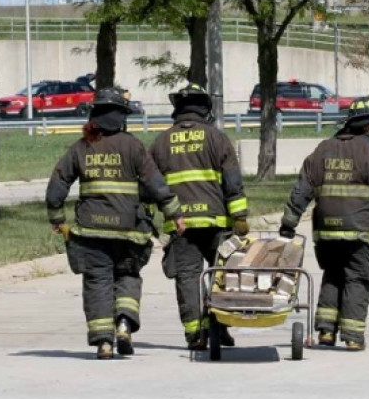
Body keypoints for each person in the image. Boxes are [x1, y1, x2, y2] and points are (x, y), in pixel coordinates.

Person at [46, 87, 184, 359]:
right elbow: (155, 184)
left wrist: (57, 218)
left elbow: (57, 184)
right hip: (129, 232)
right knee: (128, 276)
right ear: (122, 116)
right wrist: (175, 214)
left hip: (91, 232)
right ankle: (123, 323)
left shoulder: (81, 148)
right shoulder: (133, 146)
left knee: (97, 282)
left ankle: (104, 342)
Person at [279, 98, 369, 351]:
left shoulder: (323, 149)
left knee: (333, 274)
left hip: (326, 232)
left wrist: (289, 222)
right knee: (357, 277)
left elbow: (302, 188)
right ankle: (353, 336)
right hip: (360, 231)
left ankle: (325, 331)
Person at [150, 83, 249, 350]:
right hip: (217, 223)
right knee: (224, 275)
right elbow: (232, 182)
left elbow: (150, 187)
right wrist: (239, 217)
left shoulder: (161, 143)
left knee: (188, 277)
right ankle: (220, 327)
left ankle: (195, 333)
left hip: (180, 225)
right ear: (205, 109)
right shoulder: (217, 139)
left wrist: (149, 222)